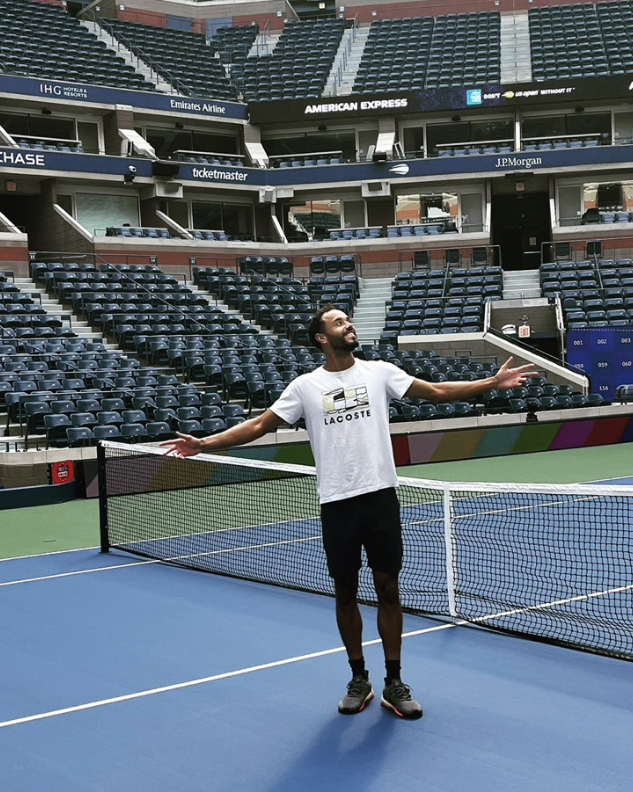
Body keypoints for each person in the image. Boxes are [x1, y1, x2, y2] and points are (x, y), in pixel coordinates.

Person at [161, 304, 536, 720]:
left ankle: (394, 682)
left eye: (348, 319)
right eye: (338, 322)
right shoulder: (305, 386)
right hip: (337, 501)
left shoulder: (379, 371)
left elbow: (437, 391)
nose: (348, 324)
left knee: (388, 588)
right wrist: (205, 444)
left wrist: (492, 382)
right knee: (345, 592)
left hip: (380, 496)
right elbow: (260, 425)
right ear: (322, 337)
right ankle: (359, 678)